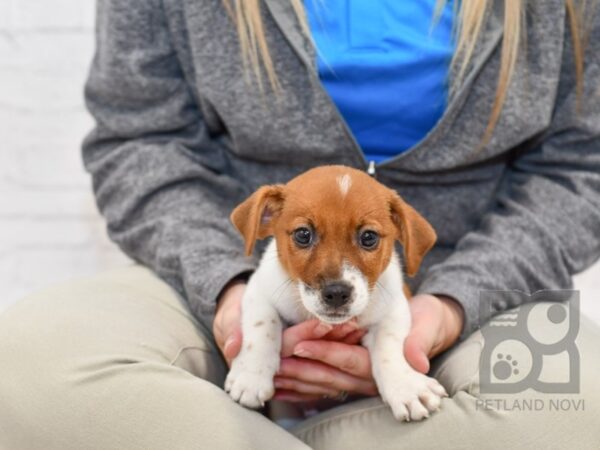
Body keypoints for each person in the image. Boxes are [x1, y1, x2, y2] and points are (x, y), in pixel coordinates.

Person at [1, 0, 599, 448]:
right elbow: (139, 139)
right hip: (219, 266)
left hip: (484, 284)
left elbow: (581, 167)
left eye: (370, 237)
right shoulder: (253, 242)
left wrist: (448, 305)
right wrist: (228, 290)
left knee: (578, 407)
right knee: (26, 370)